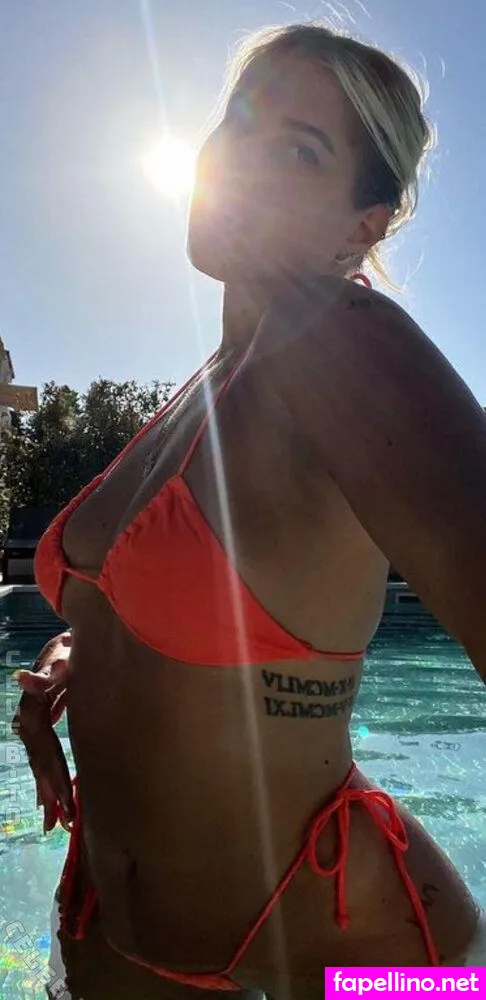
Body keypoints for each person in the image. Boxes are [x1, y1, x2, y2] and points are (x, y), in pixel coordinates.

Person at [13, 21, 486, 1000]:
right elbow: (157, 611)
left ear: (363, 225)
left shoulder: (340, 343)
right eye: (237, 123)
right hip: (111, 937)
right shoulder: (200, 390)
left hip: (343, 964)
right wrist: (67, 662)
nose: (235, 161)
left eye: (297, 150)